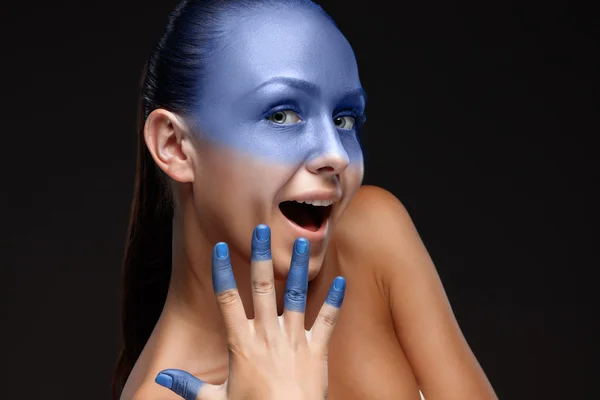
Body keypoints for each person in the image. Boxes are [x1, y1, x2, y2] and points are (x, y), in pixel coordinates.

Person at [112, 0, 498, 399]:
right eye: (281, 115)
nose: (336, 154)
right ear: (174, 146)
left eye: (344, 119)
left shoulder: (371, 233)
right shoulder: (164, 393)